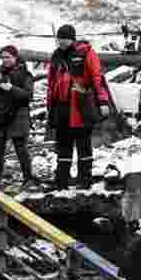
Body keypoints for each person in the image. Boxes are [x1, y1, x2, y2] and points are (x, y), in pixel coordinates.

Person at [46, 24, 107, 191]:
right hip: (61, 108)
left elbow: (97, 78)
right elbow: (51, 83)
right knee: (63, 146)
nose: (61, 42)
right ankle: (61, 182)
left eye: (64, 38)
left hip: (81, 107)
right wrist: (49, 107)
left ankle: (84, 181)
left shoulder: (86, 52)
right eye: (59, 39)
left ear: (72, 39)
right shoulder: (56, 55)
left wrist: (102, 102)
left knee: (83, 145)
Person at [0, 44, 35, 189]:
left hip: (18, 115)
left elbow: (27, 95)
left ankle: (28, 178)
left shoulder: (25, 74)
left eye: (8, 57)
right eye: (3, 57)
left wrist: (11, 88)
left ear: (15, 57)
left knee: (21, 149)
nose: (5, 60)